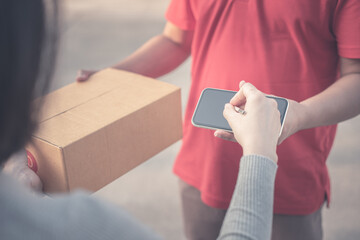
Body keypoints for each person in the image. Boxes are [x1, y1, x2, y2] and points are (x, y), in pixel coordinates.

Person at [77, 1, 360, 239]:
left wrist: (297, 115)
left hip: (288, 176)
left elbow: (355, 77)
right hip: (203, 169)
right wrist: (115, 75)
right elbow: (176, 40)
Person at [1, 0, 283, 239]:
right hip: (212, 163)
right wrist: (260, 153)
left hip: (292, 177)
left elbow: (175, 39)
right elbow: (176, 38)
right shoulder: (83, 225)